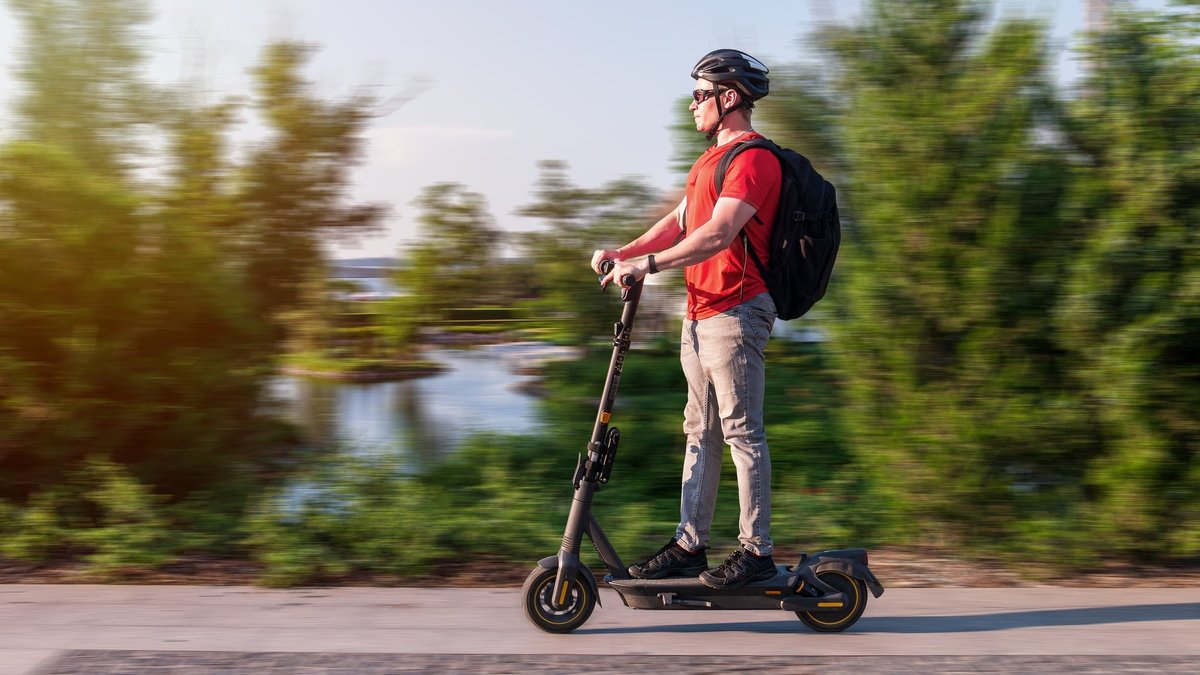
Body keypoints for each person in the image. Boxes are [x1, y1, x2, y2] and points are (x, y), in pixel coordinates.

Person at [592, 49, 782, 589]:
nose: (691, 104)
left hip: (736, 311)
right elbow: (679, 223)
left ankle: (756, 552)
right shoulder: (709, 162)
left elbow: (718, 234)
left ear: (729, 99)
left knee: (743, 433)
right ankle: (689, 545)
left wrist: (646, 266)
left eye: (701, 94)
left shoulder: (753, 160)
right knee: (699, 430)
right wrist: (623, 253)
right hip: (699, 315)